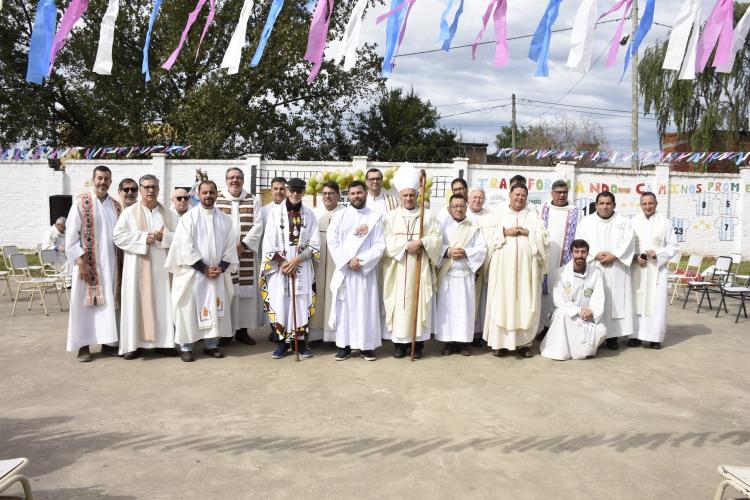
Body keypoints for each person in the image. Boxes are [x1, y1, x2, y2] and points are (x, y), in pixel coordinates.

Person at [165, 180, 238, 362]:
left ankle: (211, 345)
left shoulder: (225, 219)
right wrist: (204, 268)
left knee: (215, 307)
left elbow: (230, 246)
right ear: (198, 195)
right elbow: (184, 247)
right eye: (204, 192)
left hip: (216, 274)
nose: (208, 196)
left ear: (216, 194)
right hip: (193, 273)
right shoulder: (188, 218)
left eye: (211, 192)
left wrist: (220, 267)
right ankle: (186, 346)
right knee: (188, 309)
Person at [113, 175, 178, 359]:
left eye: (154, 187)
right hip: (136, 269)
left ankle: (164, 344)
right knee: (136, 302)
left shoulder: (168, 213)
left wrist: (163, 238)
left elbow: (181, 237)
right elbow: (117, 237)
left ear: (158, 190)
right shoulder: (129, 213)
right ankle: (134, 345)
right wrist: (143, 238)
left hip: (162, 270)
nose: (151, 190)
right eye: (147, 187)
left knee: (163, 302)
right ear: (140, 190)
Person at [382, 164, 442, 359]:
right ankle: (399, 345)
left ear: (417, 195)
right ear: (400, 196)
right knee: (399, 305)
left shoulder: (428, 215)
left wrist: (422, 242)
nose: (408, 199)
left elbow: (437, 239)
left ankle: (418, 344)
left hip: (420, 266)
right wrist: (407, 245)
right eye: (405, 195)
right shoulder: (391, 217)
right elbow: (387, 240)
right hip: (398, 269)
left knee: (418, 303)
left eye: (412, 195)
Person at [483, 184, 548, 358]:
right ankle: (500, 344)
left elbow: (544, 237)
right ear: (509, 195)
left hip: (527, 271)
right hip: (503, 272)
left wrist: (529, 232)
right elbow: (487, 235)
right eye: (516, 194)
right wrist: (504, 232)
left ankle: (524, 344)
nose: (519, 197)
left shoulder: (533, 216)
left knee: (525, 303)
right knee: (502, 302)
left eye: (523, 195)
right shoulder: (499, 214)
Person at [65, 165, 123, 362]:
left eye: (106, 179)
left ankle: (108, 343)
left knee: (109, 305)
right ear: (93, 179)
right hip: (87, 265)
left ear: (111, 181)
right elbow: (71, 236)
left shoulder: (115, 206)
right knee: (84, 306)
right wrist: (80, 262)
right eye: (99, 178)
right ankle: (83, 346)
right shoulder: (81, 203)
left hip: (111, 265)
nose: (103, 182)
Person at [260, 178, 320, 359]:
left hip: (301, 265)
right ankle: (281, 343)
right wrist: (283, 262)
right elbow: (269, 240)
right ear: (287, 190)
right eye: (292, 190)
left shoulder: (310, 215)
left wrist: (297, 260)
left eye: (299, 191)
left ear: (304, 192)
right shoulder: (274, 213)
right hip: (279, 267)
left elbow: (315, 243)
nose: (295, 194)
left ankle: (300, 343)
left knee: (300, 303)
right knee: (281, 302)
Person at [326, 180, 385, 360]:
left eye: (359, 193)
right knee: (346, 310)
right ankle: (345, 345)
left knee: (366, 309)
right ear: (348, 195)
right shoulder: (340, 216)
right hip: (346, 271)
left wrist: (361, 261)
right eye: (352, 194)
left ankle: (366, 347)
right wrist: (347, 261)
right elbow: (332, 241)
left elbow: (379, 245)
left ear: (365, 193)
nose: (356, 197)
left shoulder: (375, 217)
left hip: (364, 272)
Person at [575, 192, 635, 350]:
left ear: (614, 205)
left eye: (608, 203)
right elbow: (580, 241)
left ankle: (612, 336)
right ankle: (592, 334)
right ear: (596, 205)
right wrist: (595, 253)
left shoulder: (624, 222)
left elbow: (629, 242)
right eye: (601, 203)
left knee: (614, 300)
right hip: (594, 266)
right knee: (592, 299)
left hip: (616, 268)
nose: (605, 206)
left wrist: (614, 255)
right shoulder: (586, 222)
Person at [434, 194, 487, 356]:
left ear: (466, 208)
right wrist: (447, 251)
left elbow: (481, 249)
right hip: (448, 275)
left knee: (465, 311)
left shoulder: (474, 228)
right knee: (447, 310)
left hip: (465, 276)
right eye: (455, 206)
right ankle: (449, 343)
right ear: (449, 209)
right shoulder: (441, 227)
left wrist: (466, 252)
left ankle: (464, 343)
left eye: (462, 206)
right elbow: (435, 246)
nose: (458, 209)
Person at [215, 167, 262, 346]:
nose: (235, 180)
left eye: (238, 178)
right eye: (231, 178)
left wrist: (243, 246)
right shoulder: (218, 199)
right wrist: (228, 250)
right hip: (224, 256)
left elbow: (258, 225)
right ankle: (226, 333)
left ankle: (242, 331)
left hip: (245, 254)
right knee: (227, 292)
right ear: (226, 180)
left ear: (243, 180)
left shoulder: (251, 199)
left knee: (244, 295)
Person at [540, 239, 607, 360]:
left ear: (588, 253)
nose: (580, 255)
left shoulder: (596, 274)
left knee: (601, 331)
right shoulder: (561, 272)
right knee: (560, 314)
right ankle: (560, 351)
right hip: (568, 314)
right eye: (576, 252)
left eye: (583, 252)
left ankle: (578, 350)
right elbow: (558, 299)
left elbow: (598, 297)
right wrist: (577, 311)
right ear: (572, 253)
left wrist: (591, 311)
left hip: (586, 318)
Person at [629, 192, 679, 349]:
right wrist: (635, 257)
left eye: (650, 203)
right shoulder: (633, 221)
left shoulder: (665, 222)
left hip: (657, 269)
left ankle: (654, 338)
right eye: (644, 204)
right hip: (638, 267)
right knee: (636, 300)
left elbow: (673, 246)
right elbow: (627, 244)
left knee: (656, 303)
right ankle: (635, 336)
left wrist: (657, 253)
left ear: (656, 204)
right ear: (640, 205)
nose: (647, 206)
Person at [539, 180, 581, 335]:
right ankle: (542, 326)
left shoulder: (576, 212)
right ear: (552, 193)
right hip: (546, 259)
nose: (561, 195)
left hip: (566, 260)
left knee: (562, 290)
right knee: (545, 292)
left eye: (564, 192)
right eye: (558, 192)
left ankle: (558, 326)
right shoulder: (543, 209)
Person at [311, 181, 344, 342]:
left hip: (337, 261)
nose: (327, 196)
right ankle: (316, 335)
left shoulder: (345, 213)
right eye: (324, 194)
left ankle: (334, 335)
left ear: (338, 195)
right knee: (317, 293)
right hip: (318, 260)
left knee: (335, 293)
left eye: (331, 193)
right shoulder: (314, 213)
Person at [259, 176, 287, 342]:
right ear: (271, 190)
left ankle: (286, 327)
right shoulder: (264, 211)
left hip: (287, 263)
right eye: (276, 188)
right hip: (270, 262)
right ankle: (274, 328)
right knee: (270, 296)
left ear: (286, 191)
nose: (279, 191)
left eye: (282, 188)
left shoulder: (293, 210)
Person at [466, 187, 493, 345]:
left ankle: (477, 333)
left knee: (480, 300)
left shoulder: (490, 216)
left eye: (480, 198)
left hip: (483, 264)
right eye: (474, 197)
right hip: (464, 265)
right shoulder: (463, 214)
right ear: (469, 199)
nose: (477, 200)